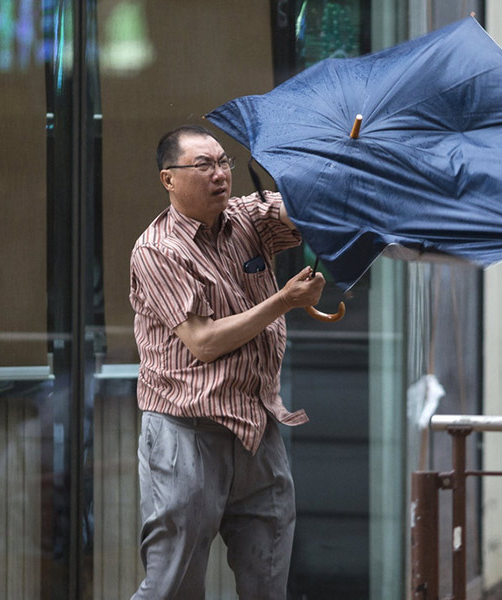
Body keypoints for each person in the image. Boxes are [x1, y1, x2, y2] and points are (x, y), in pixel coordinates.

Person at [128, 124, 325, 599]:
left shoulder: (247, 219)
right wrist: (283, 301)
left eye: (223, 163)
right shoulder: (158, 250)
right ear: (168, 179)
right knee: (172, 586)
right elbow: (203, 342)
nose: (219, 175)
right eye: (203, 165)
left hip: (258, 428)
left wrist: (323, 179)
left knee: (268, 580)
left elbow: (299, 212)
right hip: (185, 433)